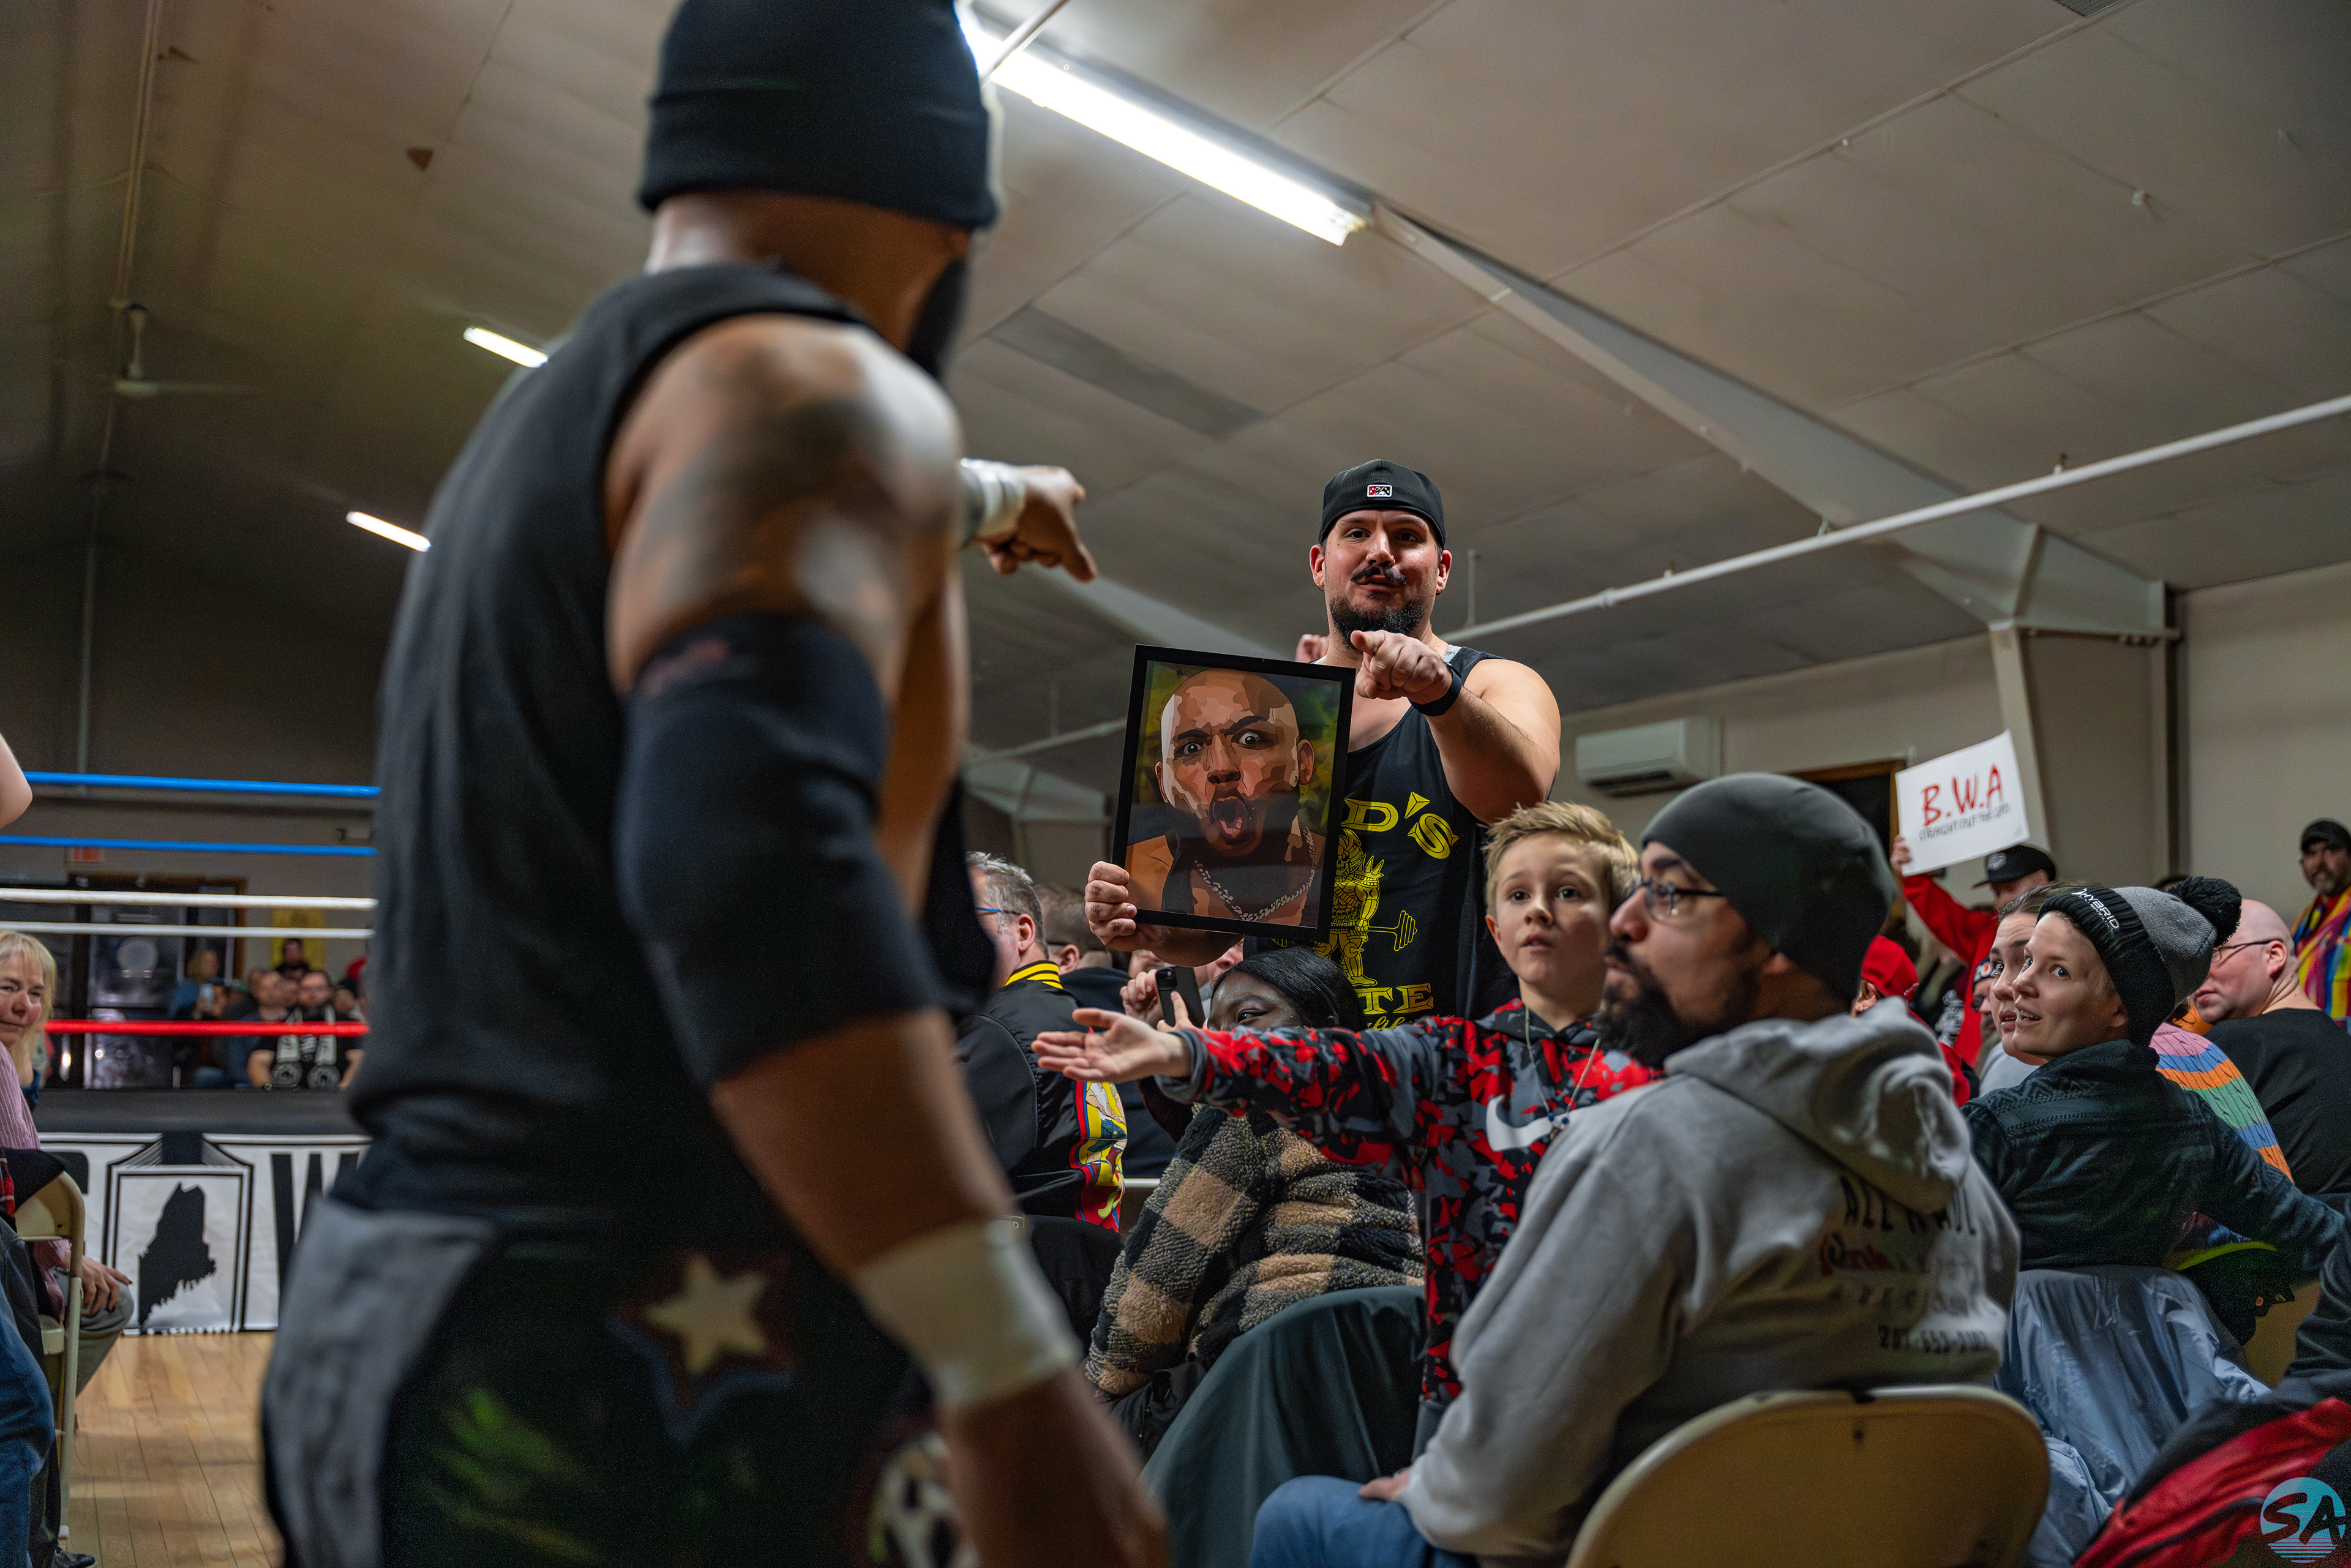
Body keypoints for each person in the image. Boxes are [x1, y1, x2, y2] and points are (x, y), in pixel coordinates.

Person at [263, 5, 1163, 1565]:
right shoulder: (810, 394)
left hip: (421, 1294)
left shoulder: (571, 412)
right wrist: (1015, 1377)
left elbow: (810, 496)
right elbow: (755, 885)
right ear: (946, 213)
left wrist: (1000, 494)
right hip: (634, 1345)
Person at [1243, 774, 2017, 1568]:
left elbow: (1497, 1504)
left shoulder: (1648, 1146)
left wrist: (1438, 1489)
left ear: (1777, 938)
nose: (1625, 923)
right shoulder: (1959, 1175)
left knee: (1298, 1514)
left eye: (1669, 896)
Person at [1043, 801, 1654, 1447]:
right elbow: (1328, 1066)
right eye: (1519, 893)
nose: (1539, 910)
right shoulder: (1452, 1059)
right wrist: (1184, 1053)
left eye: (1568, 891)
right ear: (1495, 930)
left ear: (1623, 922)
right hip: (1468, 1413)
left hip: (1612, 1398)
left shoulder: (1656, 1072)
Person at [1089, 459, 1562, 1028]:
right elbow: (1224, 921)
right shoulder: (1266, 714)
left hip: (1444, 1059)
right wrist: (1150, 927)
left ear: (1441, 570)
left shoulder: (1493, 683)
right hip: (1297, 1062)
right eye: (1357, 532)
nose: (1380, 551)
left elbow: (1518, 797)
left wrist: (1439, 693)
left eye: (1406, 536)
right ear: (1320, 564)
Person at [1090, 948, 1420, 1458]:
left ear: (1324, 1025)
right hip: (1400, 1377)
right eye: (1214, 1027)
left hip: (1269, 1374)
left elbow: (1154, 1285)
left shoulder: (1256, 1103)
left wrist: (1101, 1388)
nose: (1223, 1040)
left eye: (1247, 1017)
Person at [1962, 881, 2341, 1299]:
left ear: (2120, 1008)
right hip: (2165, 1337)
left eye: (2059, 971)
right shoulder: (2195, 1126)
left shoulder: (1998, 1125)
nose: (2017, 984)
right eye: (2030, 960)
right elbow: (2313, 1232)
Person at [961, 854, 1125, 1229]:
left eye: (966, 920)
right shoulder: (1060, 1009)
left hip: (1033, 1249)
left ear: (1023, 932)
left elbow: (935, 1168)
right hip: (1088, 1245)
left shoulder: (998, 1027)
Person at [0, 933, 135, 1391]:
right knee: (112, 1303)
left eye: (35, 993)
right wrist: (70, 1257)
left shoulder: (22, 1061)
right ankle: (41, 1419)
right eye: (8, 987)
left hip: (18, 1247)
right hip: (12, 1258)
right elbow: (20, 1180)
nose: (24, 1005)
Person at [1127, 670, 1323, 928]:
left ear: (1302, 763)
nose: (1221, 768)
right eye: (1192, 748)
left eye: (1250, 740)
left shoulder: (1343, 861)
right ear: (1164, 783)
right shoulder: (1136, 881)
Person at [2205, 900, 2351, 1198]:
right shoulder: (2342, 1044)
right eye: (2193, 961)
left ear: (2274, 955)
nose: (2201, 973)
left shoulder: (2237, 1042)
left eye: (2216, 954)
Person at [1889, 838, 2056, 1065]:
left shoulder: (2065, 938)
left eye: (2011, 889)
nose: (2001, 902)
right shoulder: (1986, 930)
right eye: (1996, 893)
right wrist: (1909, 873)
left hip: (2030, 1063)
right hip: (1972, 1067)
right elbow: (1940, 911)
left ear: (2042, 882)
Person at [252, 969, 361, 1091]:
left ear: (330, 992)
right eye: (306, 989)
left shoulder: (346, 1024)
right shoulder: (282, 1024)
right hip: (284, 1097)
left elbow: (359, 1061)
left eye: (319, 989)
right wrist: (269, 1089)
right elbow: (259, 1061)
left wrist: (342, 1091)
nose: (312, 994)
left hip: (332, 1097)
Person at [2293, 818, 2351, 1022]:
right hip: (2310, 1034)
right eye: (2311, 854)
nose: (2319, 862)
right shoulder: (2304, 920)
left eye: (2330, 851)